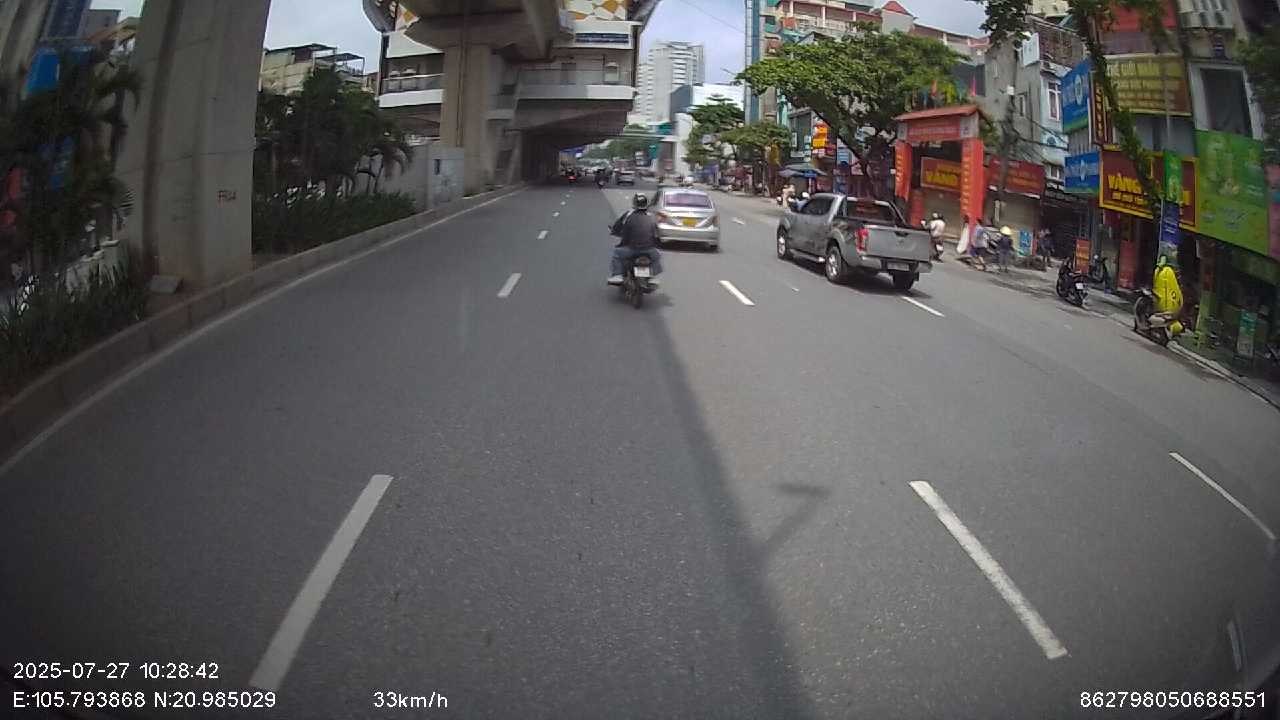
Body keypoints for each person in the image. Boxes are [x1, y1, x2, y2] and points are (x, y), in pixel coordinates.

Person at [607, 193, 663, 286]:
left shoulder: (628, 215)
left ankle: (618, 275)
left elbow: (620, 228)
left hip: (632, 249)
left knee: (617, 253)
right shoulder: (652, 216)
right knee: (657, 255)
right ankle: (653, 276)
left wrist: (615, 232)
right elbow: (656, 233)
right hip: (649, 249)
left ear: (634, 203)